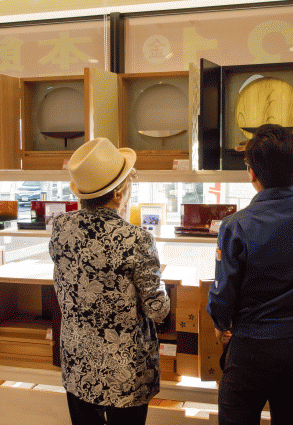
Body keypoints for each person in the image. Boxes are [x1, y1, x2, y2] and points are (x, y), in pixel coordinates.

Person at [207, 124, 293, 425]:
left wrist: (220, 324)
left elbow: (224, 293)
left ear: (251, 173)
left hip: (249, 351)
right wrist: (279, 157)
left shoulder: (236, 225)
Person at [49, 137, 170, 425]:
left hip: (78, 363)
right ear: (118, 193)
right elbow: (157, 309)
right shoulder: (137, 239)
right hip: (125, 371)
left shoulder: (61, 227)